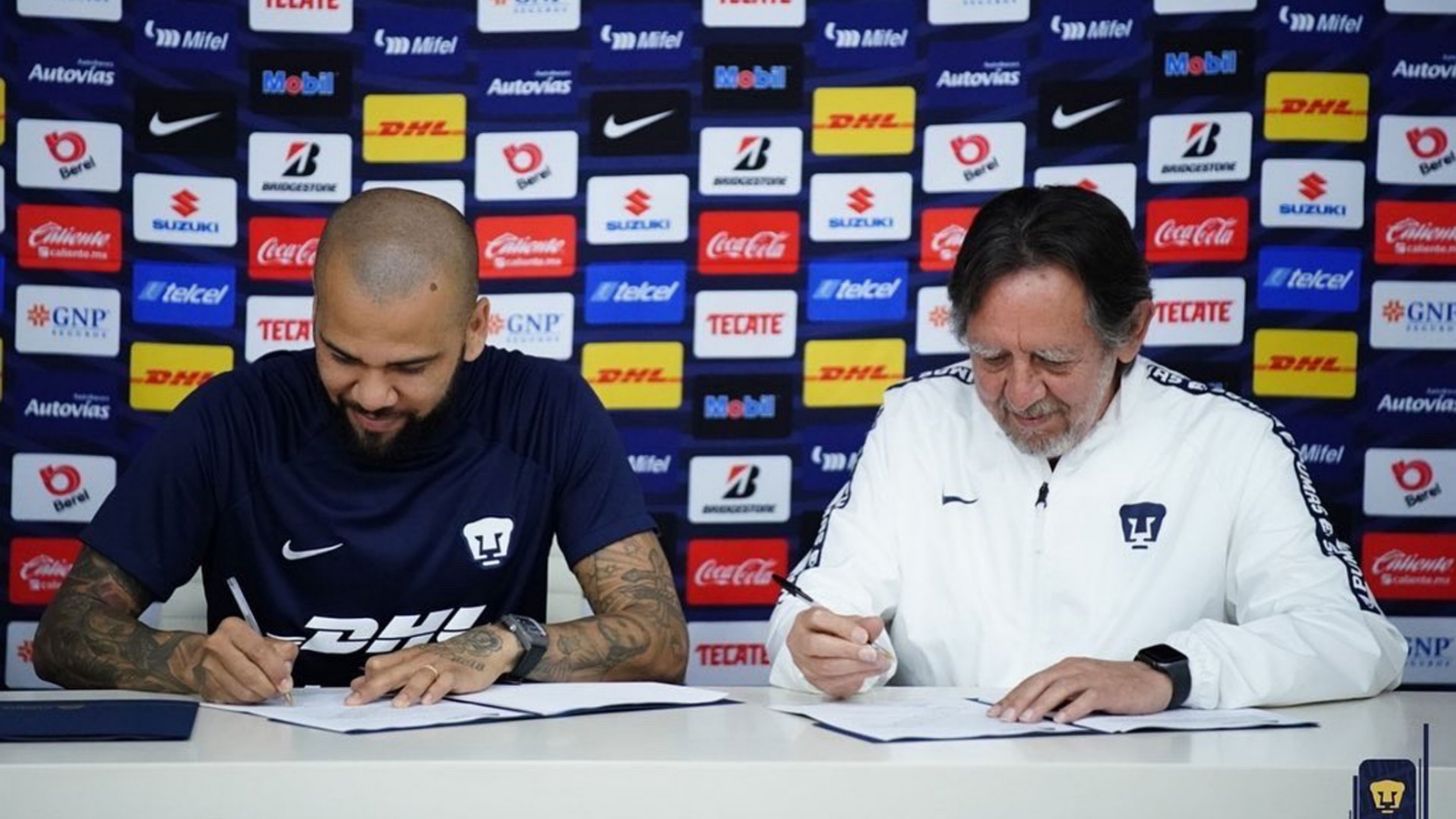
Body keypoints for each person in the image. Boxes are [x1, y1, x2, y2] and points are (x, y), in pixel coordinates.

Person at [766, 185, 1406, 722]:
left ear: (1131, 331)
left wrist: (1165, 675)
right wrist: (812, 650)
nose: (1020, 392)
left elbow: (1354, 640)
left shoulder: (1233, 441)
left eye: (1053, 360)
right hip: (942, 794)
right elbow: (812, 609)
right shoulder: (917, 420)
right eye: (991, 357)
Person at [34, 189, 687, 707]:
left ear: (474, 328)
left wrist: (504, 644)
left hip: (480, 771)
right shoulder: (232, 418)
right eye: (342, 356)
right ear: (315, 316)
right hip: (269, 773)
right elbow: (63, 634)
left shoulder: (545, 408)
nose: (372, 395)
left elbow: (661, 641)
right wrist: (186, 661)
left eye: (410, 367)